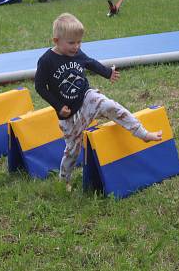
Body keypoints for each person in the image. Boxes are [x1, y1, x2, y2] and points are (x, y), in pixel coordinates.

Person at [34, 13, 162, 190]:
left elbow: (90, 63)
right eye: (71, 43)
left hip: (86, 98)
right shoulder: (47, 61)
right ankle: (64, 179)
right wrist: (58, 106)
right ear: (56, 40)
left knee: (108, 104)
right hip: (68, 115)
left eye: (79, 42)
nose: (76, 47)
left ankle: (142, 133)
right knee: (73, 149)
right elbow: (40, 87)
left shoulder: (77, 53)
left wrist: (107, 73)